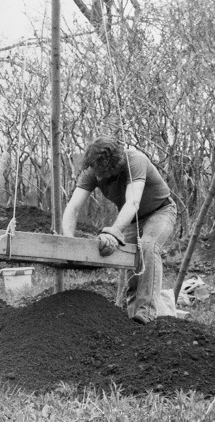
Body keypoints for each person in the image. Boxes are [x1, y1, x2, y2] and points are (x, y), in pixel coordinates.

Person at [61, 136, 177, 323]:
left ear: (113, 165)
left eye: (101, 171)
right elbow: (73, 208)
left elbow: (132, 202)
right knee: (129, 261)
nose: (97, 176)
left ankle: (147, 313)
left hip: (160, 211)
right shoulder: (92, 171)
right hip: (133, 221)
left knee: (148, 246)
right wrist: (68, 241)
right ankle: (134, 319)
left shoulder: (135, 161)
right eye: (95, 170)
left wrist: (113, 231)